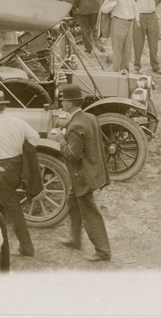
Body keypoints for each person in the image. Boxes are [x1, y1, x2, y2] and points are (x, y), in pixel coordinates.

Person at [0, 90, 43, 258]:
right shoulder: (17, 121)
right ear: (3, 107)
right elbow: (35, 138)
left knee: (12, 209)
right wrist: (20, 148)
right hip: (19, 167)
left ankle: (26, 248)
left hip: (2, 171)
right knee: (6, 204)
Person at [53, 84, 111, 262]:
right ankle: (75, 239)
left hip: (83, 177)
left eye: (63, 101)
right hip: (92, 171)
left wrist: (60, 140)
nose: (62, 104)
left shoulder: (75, 125)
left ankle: (103, 251)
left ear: (70, 104)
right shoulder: (89, 117)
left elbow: (73, 155)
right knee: (72, 202)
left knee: (90, 213)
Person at [128, 0, 161, 74]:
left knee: (154, 43)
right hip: (139, 17)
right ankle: (137, 66)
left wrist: (155, 3)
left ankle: (155, 66)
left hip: (152, 16)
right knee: (138, 43)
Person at [102, 0, 136, 72]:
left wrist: (136, 19)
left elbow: (134, 7)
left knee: (127, 49)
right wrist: (114, 2)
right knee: (117, 49)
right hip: (118, 23)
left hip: (129, 23)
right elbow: (104, 10)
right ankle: (116, 71)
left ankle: (125, 71)